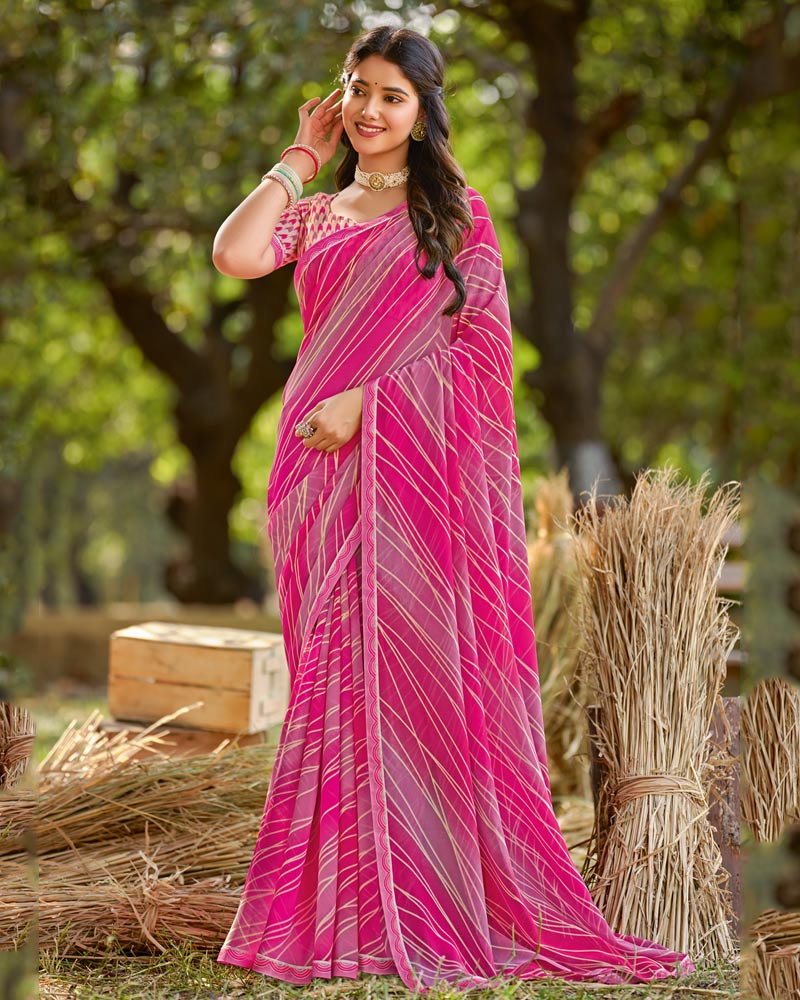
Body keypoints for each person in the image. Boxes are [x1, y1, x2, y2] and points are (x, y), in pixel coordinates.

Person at [211, 24, 696, 994]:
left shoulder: (457, 217)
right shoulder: (319, 212)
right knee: (331, 688)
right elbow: (236, 254)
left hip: (410, 484)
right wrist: (297, 157)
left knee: (410, 681)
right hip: (315, 482)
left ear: (422, 110)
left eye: (391, 96)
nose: (369, 110)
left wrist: (371, 403)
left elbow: (480, 359)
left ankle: (418, 897)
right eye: (358, 89)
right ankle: (341, 907)